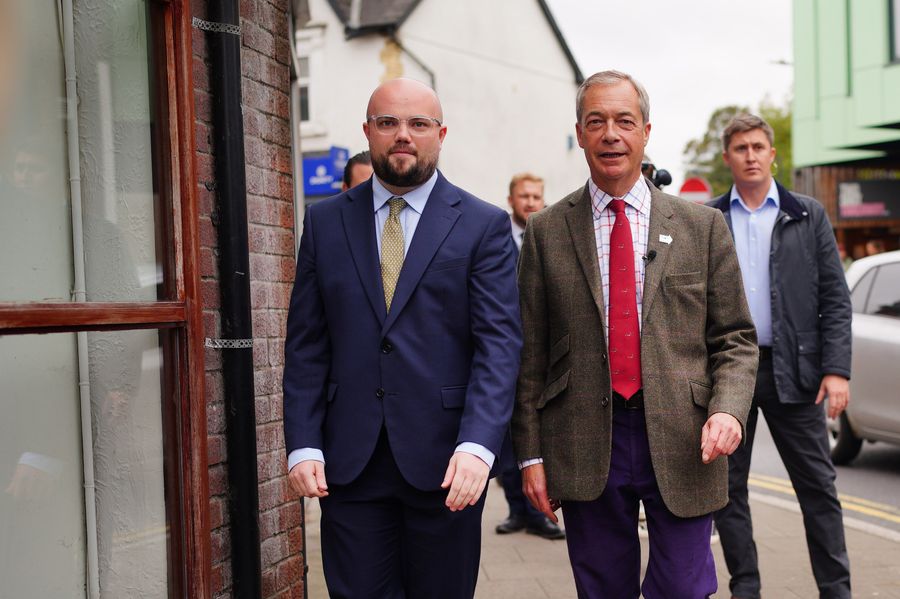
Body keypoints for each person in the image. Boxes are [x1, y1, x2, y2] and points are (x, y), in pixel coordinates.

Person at [512, 70, 758, 599]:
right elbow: (528, 353)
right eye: (596, 121)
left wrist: (728, 409)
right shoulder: (546, 232)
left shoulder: (702, 227)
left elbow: (736, 337)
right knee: (602, 589)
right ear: (579, 133)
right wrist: (530, 456)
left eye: (625, 121)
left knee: (685, 588)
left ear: (646, 131)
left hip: (687, 437)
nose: (610, 134)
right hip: (582, 437)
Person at [283, 78, 522, 599]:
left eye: (418, 124)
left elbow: (498, 348)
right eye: (388, 123)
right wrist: (302, 443)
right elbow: (306, 344)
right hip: (350, 465)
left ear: (441, 134)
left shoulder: (483, 226)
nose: (403, 135)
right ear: (368, 131)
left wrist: (479, 445)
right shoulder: (324, 223)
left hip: (447, 466)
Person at [711, 114, 852, 599]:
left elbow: (835, 297)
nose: (750, 155)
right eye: (740, 148)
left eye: (758, 147)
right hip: (730, 373)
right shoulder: (710, 220)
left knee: (818, 489)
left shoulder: (808, 214)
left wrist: (836, 370)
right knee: (727, 491)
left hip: (799, 371)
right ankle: (744, 589)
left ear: (772, 154)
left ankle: (837, 590)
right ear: (727, 157)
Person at [494, 172, 564, 540]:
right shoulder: (496, 237)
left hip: (543, 352)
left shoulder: (552, 237)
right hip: (507, 349)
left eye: (537, 196)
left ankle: (541, 513)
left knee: (538, 431)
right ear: (511, 200)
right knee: (508, 435)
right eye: (524, 196)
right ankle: (516, 512)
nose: (532, 202)